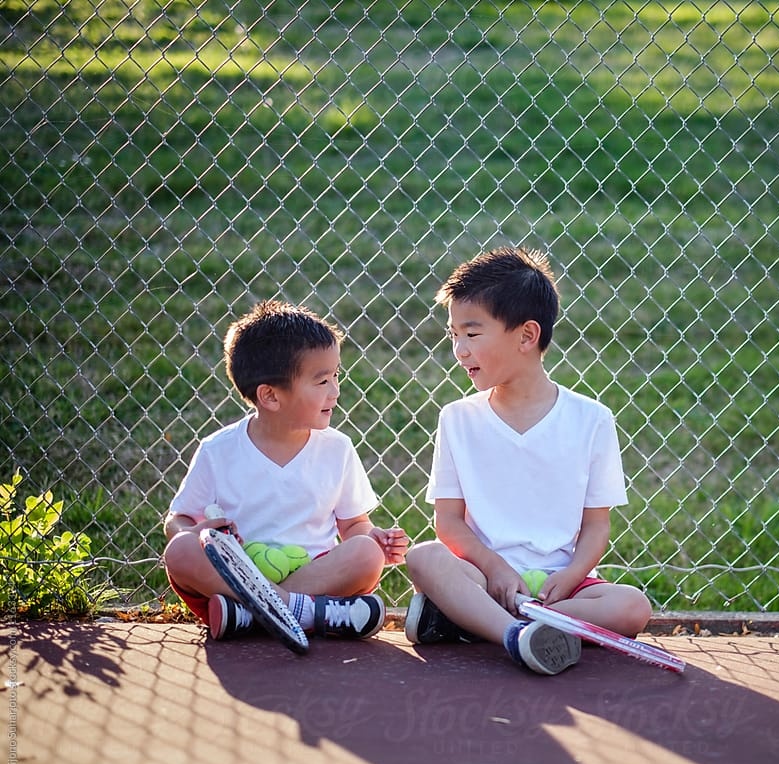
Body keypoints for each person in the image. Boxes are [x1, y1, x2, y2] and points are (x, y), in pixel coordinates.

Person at [404, 246, 652, 675]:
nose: (459, 350)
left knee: (632, 606)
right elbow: (448, 523)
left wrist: (572, 575)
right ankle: (517, 634)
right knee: (424, 557)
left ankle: (473, 621)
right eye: (453, 335)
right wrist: (495, 568)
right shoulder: (458, 418)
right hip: (483, 576)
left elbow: (596, 525)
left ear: (526, 335)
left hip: (561, 586)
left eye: (472, 334)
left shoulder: (591, 420)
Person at [162, 300, 408, 642]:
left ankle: (251, 616)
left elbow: (354, 525)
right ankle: (305, 614)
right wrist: (198, 529)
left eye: (336, 376)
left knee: (366, 554)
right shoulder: (218, 450)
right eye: (321, 381)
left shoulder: (337, 448)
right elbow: (178, 521)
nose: (335, 392)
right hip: (235, 579)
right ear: (270, 397)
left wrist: (374, 536)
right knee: (180, 551)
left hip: (312, 576)